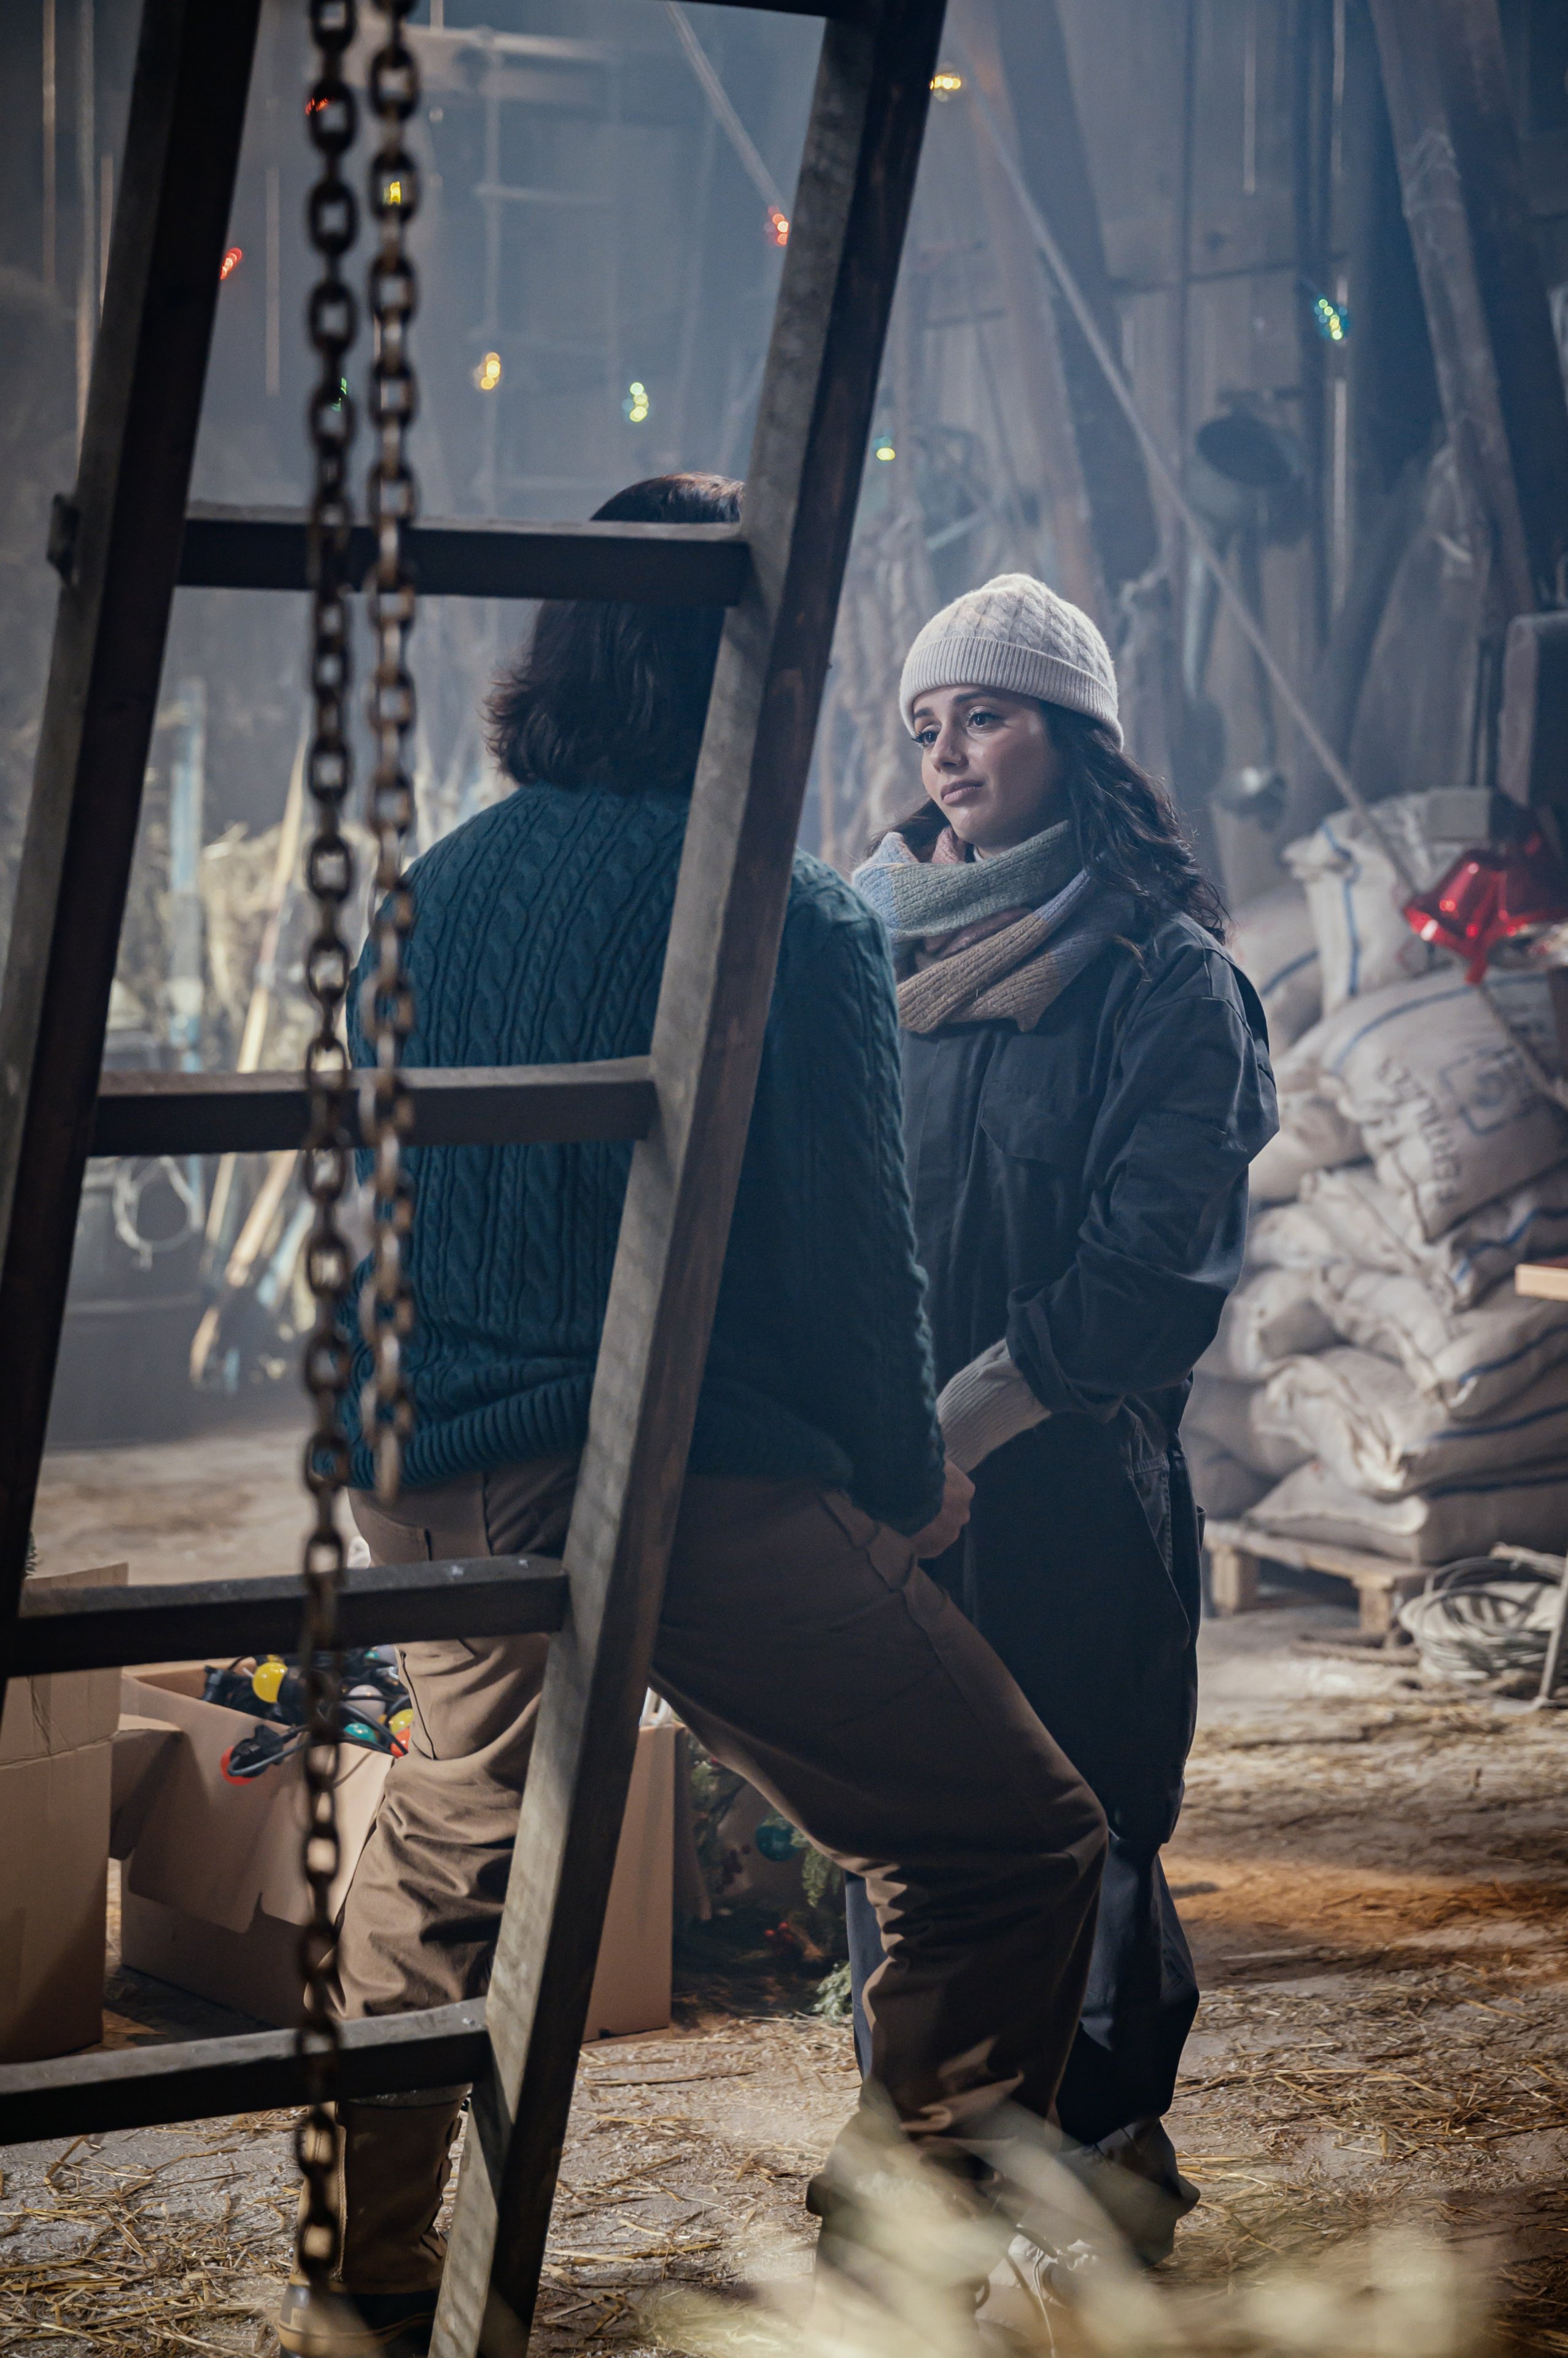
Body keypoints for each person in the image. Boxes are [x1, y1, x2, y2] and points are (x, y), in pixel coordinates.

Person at [278, 489, 1108, 2358]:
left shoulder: (435, 886)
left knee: (457, 1842)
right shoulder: (788, 913)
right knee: (1008, 1842)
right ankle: (896, 2280)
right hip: (667, 1468)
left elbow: (358, 1199)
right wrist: (900, 1482)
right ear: (752, 664)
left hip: (433, 1457)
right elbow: (852, 1269)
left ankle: (360, 2284)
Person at [845, 574, 1278, 2262]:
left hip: (1067, 1485)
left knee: (1084, 1823)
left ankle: (1102, 2175)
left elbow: (1149, 1278)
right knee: (911, 1842)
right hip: (888, 1484)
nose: (949, 754)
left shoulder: (1167, 980)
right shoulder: (861, 952)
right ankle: (932, 2181)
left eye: (989, 715)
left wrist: (961, 1428)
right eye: (926, 726)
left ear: (1076, 736)